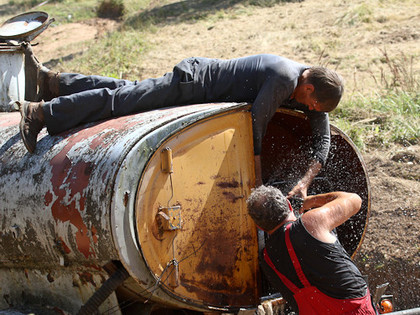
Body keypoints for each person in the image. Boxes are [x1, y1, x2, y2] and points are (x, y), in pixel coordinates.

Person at [18, 46, 344, 198]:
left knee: (128, 91)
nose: (312, 109)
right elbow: (256, 123)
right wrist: (255, 178)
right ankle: (43, 113)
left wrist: (305, 180)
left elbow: (322, 141)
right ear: (310, 87)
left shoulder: (307, 88)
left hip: (198, 88)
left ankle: (55, 83)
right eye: (313, 102)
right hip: (194, 84)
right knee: (121, 103)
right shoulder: (284, 79)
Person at [246, 185, 377, 314]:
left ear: (260, 227)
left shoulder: (266, 259)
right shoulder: (310, 222)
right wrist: (311, 200)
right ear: (288, 205)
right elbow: (355, 200)